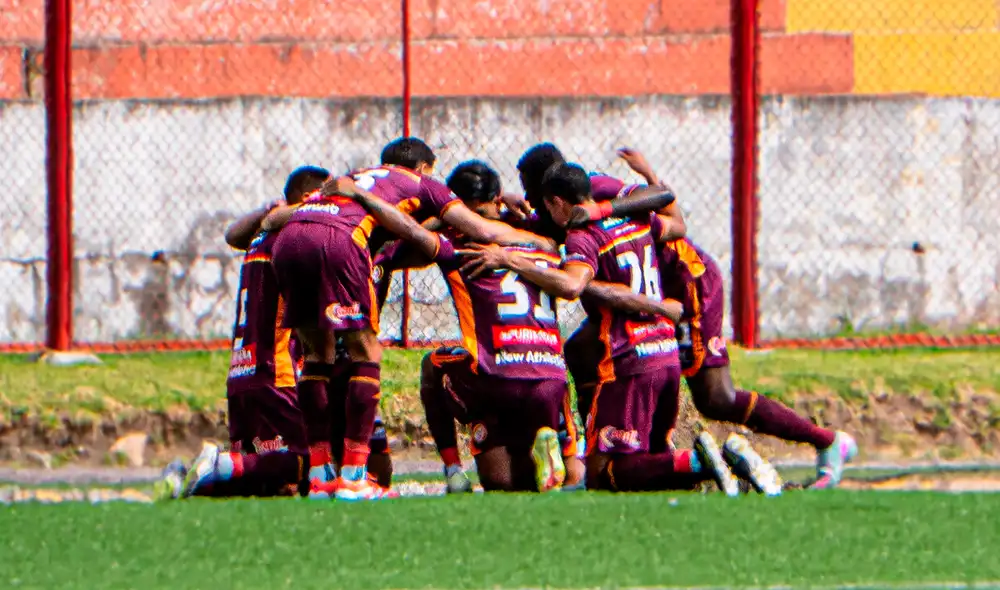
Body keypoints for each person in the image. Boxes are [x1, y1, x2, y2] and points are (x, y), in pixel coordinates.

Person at [266, 138, 557, 501]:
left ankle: (320, 474)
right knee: (366, 353)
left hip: (291, 239)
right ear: (424, 169)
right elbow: (480, 231)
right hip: (340, 243)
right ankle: (353, 477)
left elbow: (272, 220)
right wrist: (533, 241)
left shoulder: (352, 180)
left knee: (316, 356)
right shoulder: (423, 186)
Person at [462, 163, 775, 494]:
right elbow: (676, 224)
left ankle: (703, 462)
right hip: (665, 356)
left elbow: (571, 286)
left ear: (556, 202)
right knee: (649, 463)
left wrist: (512, 261)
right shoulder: (635, 219)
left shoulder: (582, 236)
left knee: (605, 475)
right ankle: (717, 465)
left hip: (628, 361)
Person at [583, 147, 859, 489]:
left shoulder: (597, 189)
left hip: (688, 285)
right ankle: (627, 451)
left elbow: (664, 203)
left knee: (716, 398)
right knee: (582, 346)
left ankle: (827, 440)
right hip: (655, 293)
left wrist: (648, 176)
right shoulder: (555, 208)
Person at [156, 165, 330, 500]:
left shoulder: (259, 237)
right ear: (309, 199)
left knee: (273, 482)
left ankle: (190, 479)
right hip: (273, 370)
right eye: (328, 199)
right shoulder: (293, 238)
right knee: (306, 461)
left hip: (242, 371)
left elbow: (234, 234)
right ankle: (219, 464)